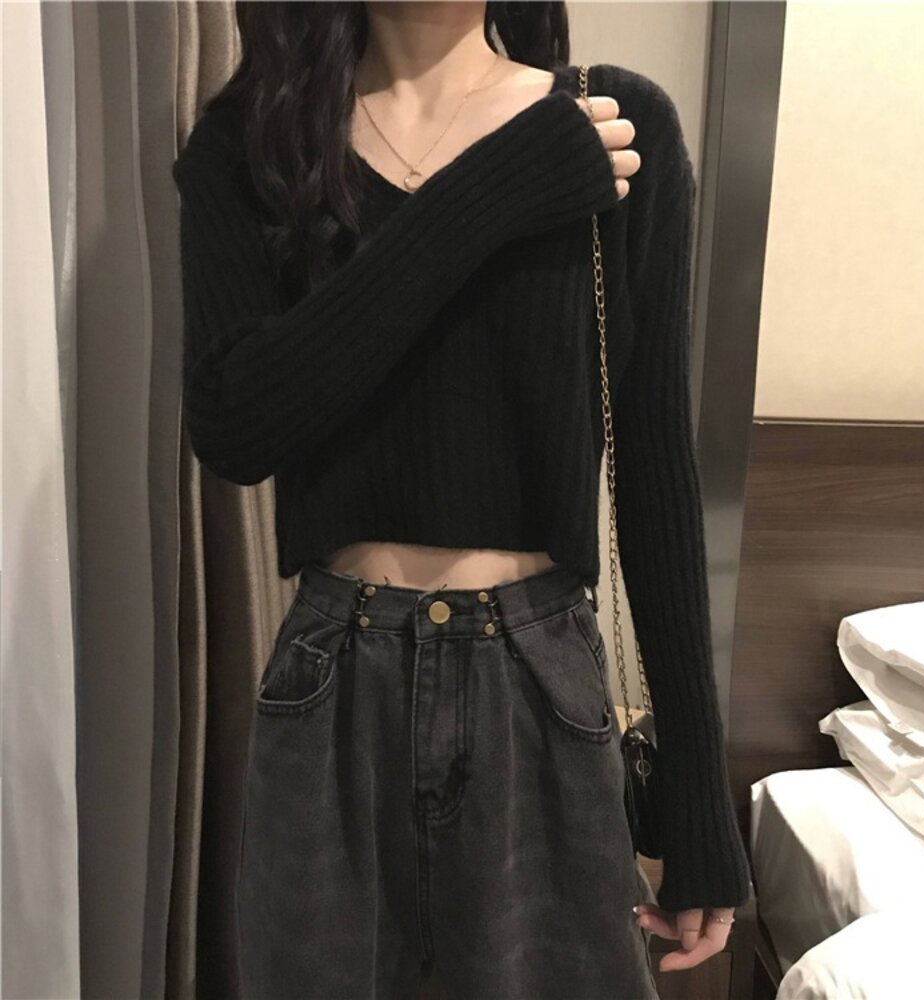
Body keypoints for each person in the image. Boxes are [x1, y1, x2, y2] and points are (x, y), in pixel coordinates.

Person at [172, 2, 751, 997]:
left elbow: (656, 463)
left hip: (537, 678)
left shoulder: (614, 126)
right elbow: (237, 426)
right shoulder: (254, 143)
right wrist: (489, 191)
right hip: (332, 684)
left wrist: (699, 798)